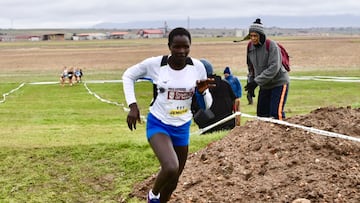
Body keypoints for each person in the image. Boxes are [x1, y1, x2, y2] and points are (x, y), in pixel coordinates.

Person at [122, 27, 214, 203]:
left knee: (173, 181)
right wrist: (133, 106)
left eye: (185, 47)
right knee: (171, 166)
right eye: (176, 47)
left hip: (182, 126)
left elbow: (208, 105)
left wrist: (203, 92)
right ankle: (153, 195)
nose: (181, 51)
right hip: (159, 124)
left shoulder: (198, 67)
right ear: (169, 46)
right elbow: (128, 75)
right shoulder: (156, 64)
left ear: (190, 47)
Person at [245, 18, 290, 120]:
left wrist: (256, 82)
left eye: (255, 36)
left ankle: (281, 135)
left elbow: (274, 68)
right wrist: (251, 84)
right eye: (251, 36)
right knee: (261, 115)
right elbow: (251, 68)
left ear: (261, 36)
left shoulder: (271, 45)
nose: (253, 38)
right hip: (264, 85)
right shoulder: (249, 47)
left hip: (279, 83)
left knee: (275, 114)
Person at [192, 59, 236, 133]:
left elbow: (194, 108)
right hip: (229, 124)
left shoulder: (198, 88)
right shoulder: (225, 84)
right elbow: (234, 101)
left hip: (208, 128)